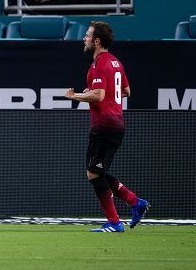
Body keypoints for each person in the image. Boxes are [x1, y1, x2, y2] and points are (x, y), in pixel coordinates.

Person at [64, 21, 149, 233]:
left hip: (105, 126)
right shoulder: (116, 62)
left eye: (87, 35)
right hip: (113, 124)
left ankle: (115, 222)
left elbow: (99, 95)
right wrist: (95, 92)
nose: (84, 39)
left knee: (94, 173)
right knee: (95, 172)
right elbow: (127, 91)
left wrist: (77, 96)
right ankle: (135, 203)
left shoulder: (99, 63)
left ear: (97, 41)